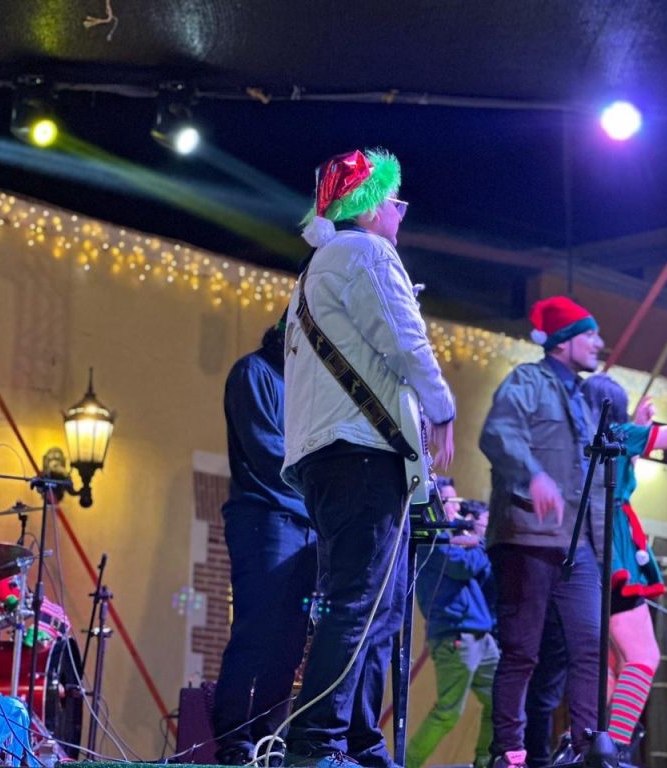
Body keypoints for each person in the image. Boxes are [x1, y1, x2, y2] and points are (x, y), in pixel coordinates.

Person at [479, 296, 667, 768]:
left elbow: (631, 450)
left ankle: (588, 745)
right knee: (559, 654)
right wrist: (534, 475)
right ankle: (549, 748)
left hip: (580, 546)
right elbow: (501, 433)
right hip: (563, 542)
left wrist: (640, 428)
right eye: (590, 334)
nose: (599, 343)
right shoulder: (541, 391)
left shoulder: (589, 412)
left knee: (594, 656)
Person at [280, 148, 456, 768]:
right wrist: (442, 407)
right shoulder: (367, 254)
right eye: (396, 201)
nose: (401, 213)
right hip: (361, 453)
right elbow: (405, 341)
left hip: (332, 454)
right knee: (361, 601)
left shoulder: (316, 270)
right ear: (372, 206)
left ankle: (358, 739)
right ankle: (318, 740)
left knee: (373, 605)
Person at [212, 316, 318, 766]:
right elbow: (267, 450)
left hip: (305, 523)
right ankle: (234, 740)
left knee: (290, 643)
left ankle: (267, 740)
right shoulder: (252, 372)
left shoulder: (304, 388)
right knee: (256, 632)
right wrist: (326, 476)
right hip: (265, 518)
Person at [406, 477, 499, 768]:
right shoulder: (431, 537)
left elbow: (484, 576)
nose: (457, 510)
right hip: (454, 636)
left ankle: (486, 761)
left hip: (481, 634)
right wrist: (482, 541)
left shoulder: (458, 538)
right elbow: (462, 566)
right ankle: (406, 763)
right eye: (450, 502)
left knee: (501, 703)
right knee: (448, 712)